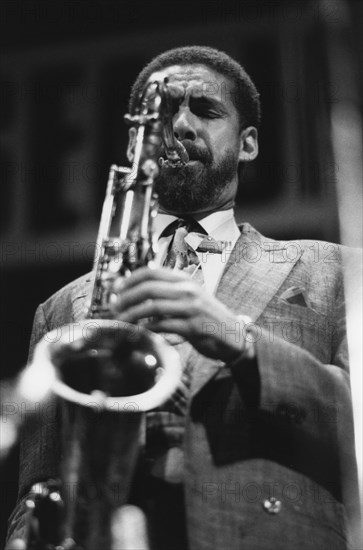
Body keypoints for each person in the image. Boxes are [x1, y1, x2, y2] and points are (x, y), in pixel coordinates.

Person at [7, 45, 359, 550]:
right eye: (167, 112)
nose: (181, 126)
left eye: (206, 110)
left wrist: (235, 338)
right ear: (135, 143)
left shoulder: (336, 267)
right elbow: (38, 491)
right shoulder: (61, 309)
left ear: (249, 144)